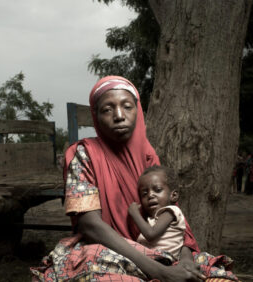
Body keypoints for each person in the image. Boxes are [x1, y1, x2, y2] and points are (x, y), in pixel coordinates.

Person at [31, 76, 238, 281]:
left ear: (137, 111)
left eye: (127, 107)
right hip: (107, 249)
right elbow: (90, 225)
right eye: (107, 109)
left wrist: (185, 260)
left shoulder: (148, 156)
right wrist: (161, 272)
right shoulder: (84, 154)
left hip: (158, 248)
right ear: (96, 116)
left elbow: (172, 216)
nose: (119, 115)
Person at [128, 165, 186, 261]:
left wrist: (135, 214)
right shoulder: (153, 219)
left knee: (120, 242)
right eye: (144, 194)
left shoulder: (170, 211)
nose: (150, 195)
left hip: (164, 257)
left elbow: (151, 234)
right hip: (154, 259)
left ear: (173, 195)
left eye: (158, 190)